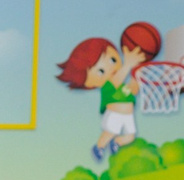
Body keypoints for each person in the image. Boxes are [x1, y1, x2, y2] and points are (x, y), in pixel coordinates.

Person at [56, 22, 160, 164]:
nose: (111, 68)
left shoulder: (121, 85)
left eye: (112, 60)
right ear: (89, 83)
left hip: (128, 115)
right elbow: (115, 81)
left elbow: (132, 89)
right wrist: (128, 64)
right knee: (109, 132)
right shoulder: (107, 87)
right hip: (115, 114)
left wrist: (138, 73)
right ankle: (99, 147)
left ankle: (117, 143)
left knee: (130, 136)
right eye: (100, 71)